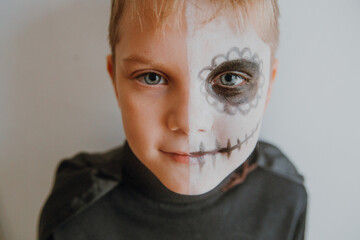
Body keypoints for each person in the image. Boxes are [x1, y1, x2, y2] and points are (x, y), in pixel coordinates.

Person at [38, 0, 307, 239]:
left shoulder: (284, 196)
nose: (190, 123)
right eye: (152, 77)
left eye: (230, 79)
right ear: (115, 82)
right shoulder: (75, 211)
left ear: (268, 86)